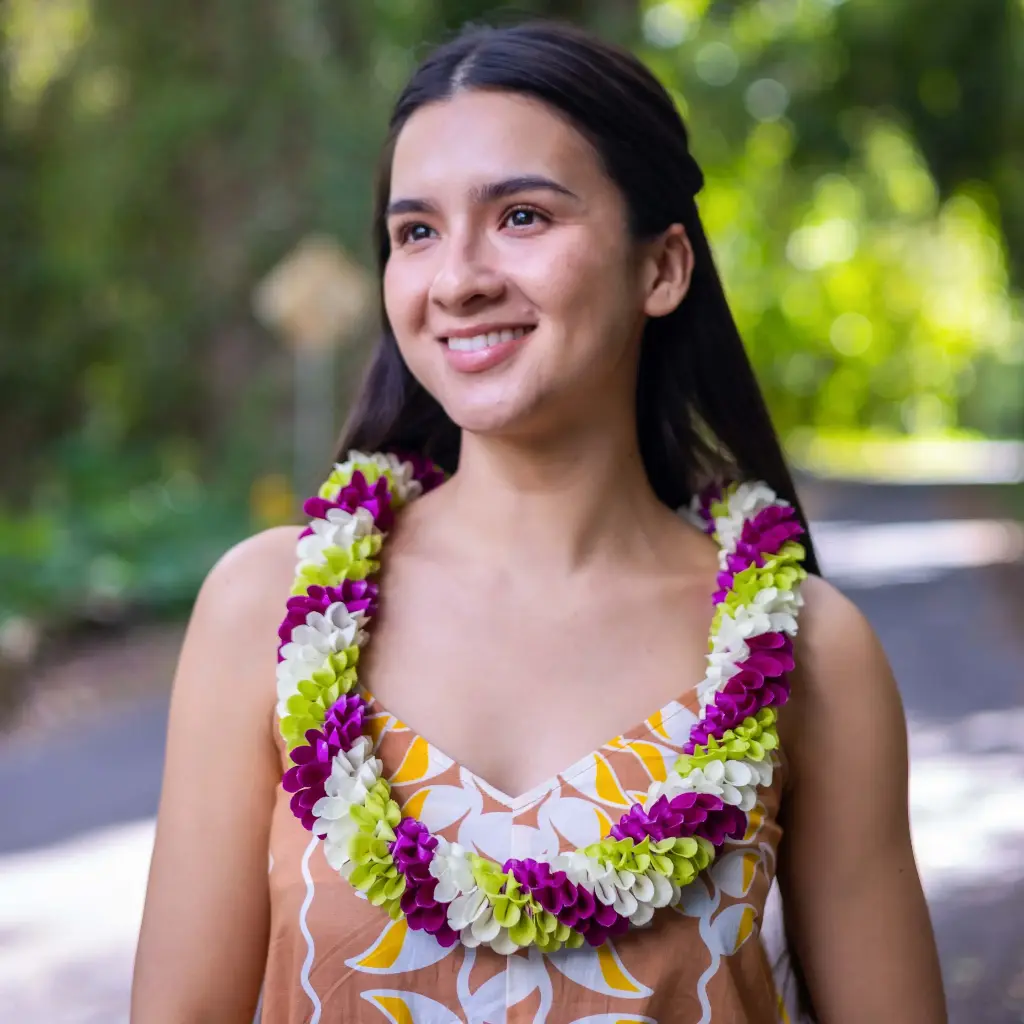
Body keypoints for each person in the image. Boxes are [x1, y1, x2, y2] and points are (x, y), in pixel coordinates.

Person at [131, 18, 947, 1024]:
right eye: (416, 232)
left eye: (521, 216)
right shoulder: (269, 610)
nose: (458, 279)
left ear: (662, 269)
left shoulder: (806, 649)